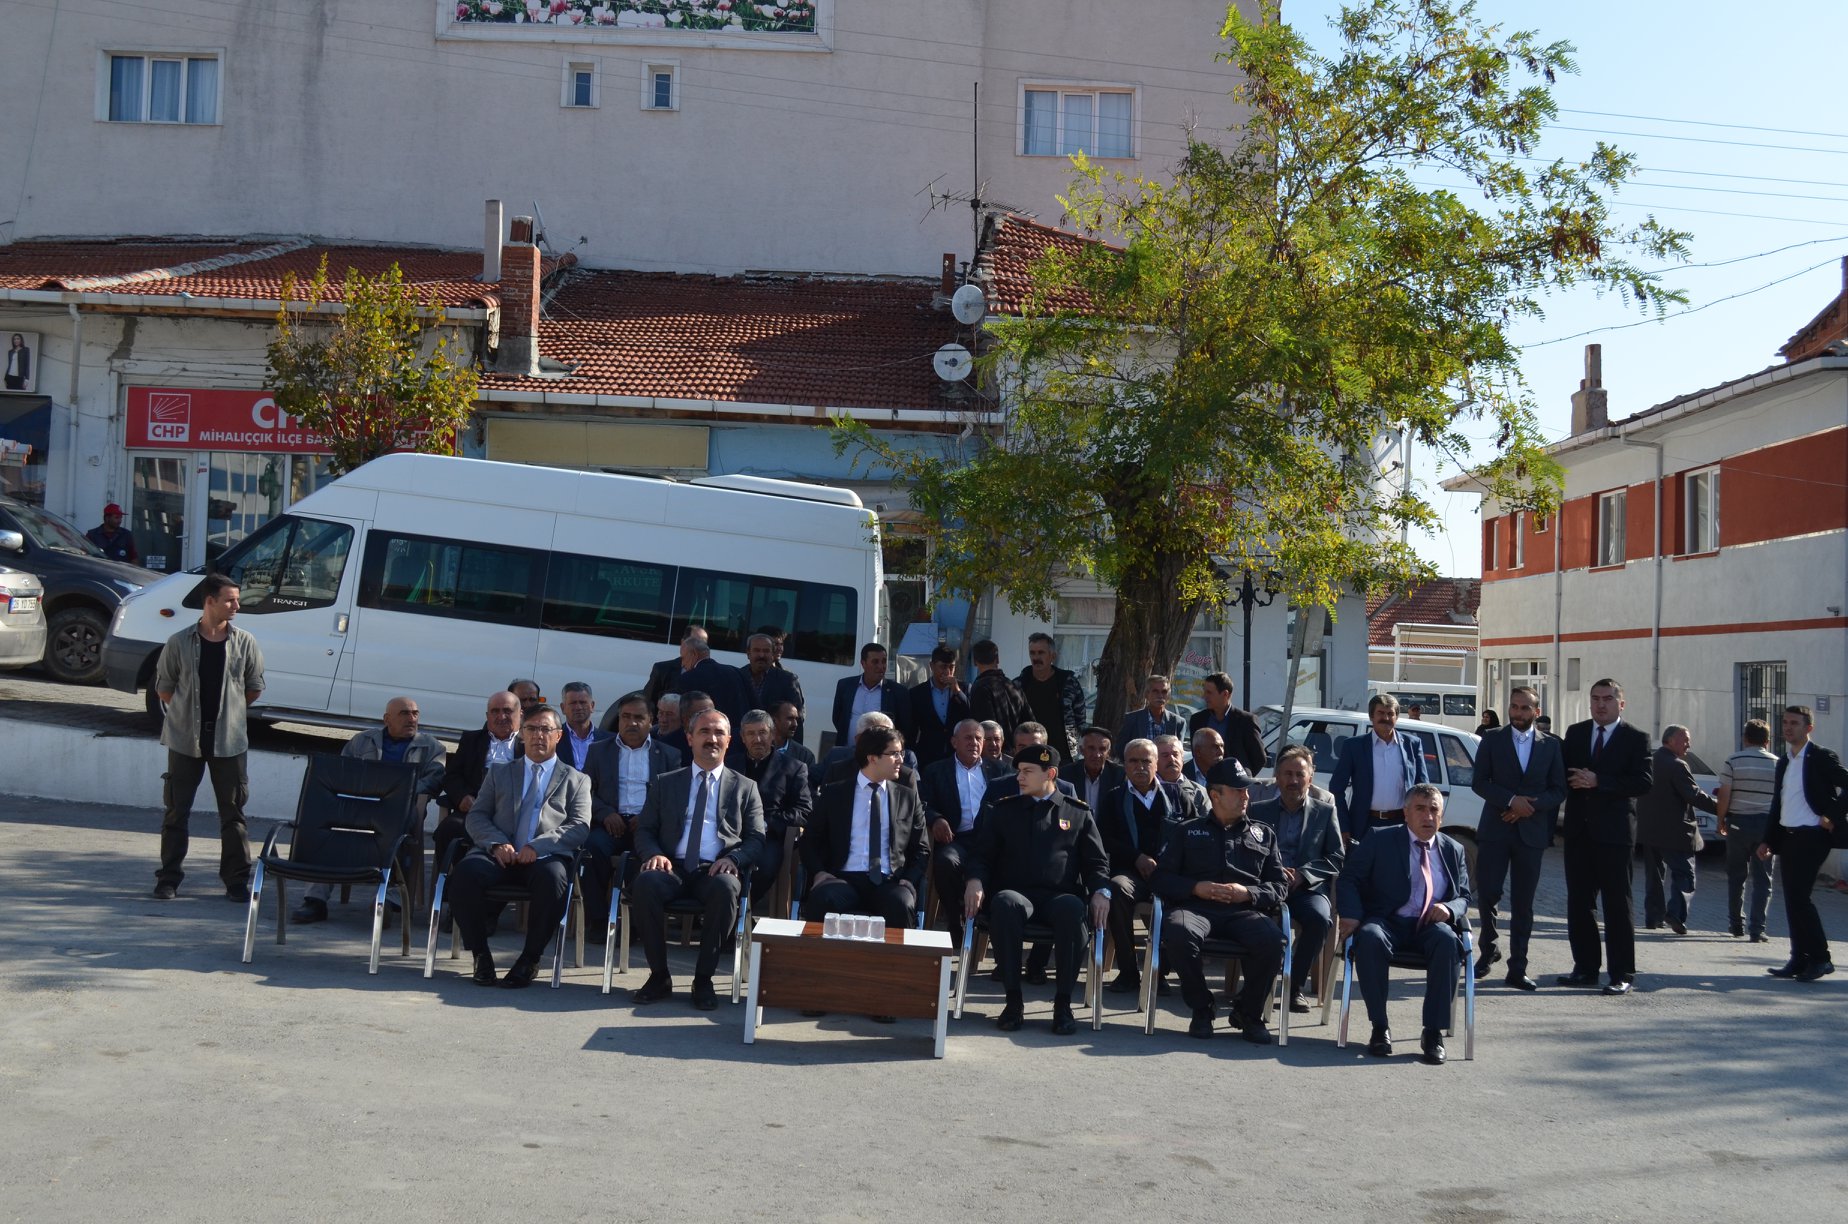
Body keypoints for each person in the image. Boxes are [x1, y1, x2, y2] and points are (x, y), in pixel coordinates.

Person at [963, 745, 1111, 1035]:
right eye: (1019, 771)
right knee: (1005, 903)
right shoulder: (1004, 811)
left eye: (1027, 772)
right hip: (1017, 894)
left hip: (1059, 896)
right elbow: (981, 855)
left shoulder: (1077, 812)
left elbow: (1097, 863)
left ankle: (1063, 1004)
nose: (1019, 777)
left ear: (1050, 774)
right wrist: (975, 880)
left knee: (1072, 910)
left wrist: (1101, 892)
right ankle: (1013, 1001)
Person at [629, 709, 766, 1009]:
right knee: (645, 883)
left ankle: (703, 979)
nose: (712, 739)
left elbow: (757, 837)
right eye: (704, 732)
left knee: (726, 888)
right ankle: (659, 976)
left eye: (719, 733)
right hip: (672, 866)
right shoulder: (665, 782)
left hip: (715, 868)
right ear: (690, 738)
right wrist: (653, 854)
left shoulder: (746, 787)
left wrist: (735, 858)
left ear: (729, 741)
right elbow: (646, 829)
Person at [448, 704, 592, 989]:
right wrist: (496, 843)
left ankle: (529, 959)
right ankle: (481, 956)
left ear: (558, 735)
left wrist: (538, 846)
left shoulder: (576, 779)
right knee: (463, 875)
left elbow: (579, 826)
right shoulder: (500, 773)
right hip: (499, 853)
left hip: (544, 856)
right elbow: (476, 816)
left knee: (553, 880)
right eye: (531, 729)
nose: (538, 735)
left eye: (545, 729)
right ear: (522, 734)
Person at [1154, 758, 1286, 1043]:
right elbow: (1161, 879)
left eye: (1246, 790)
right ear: (1215, 795)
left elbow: (1279, 886)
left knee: (1273, 941)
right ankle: (1202, 1008)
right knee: (1178, 932)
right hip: (1196, 908)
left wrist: (1248, 893)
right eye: (1237, 790)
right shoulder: (1187, 830)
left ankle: (1248, 1013)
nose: (1245, 796)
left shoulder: (1263, 834)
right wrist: (1195, 888)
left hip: (1243, 912)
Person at [151, 573, 265, 902]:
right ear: (210, 601)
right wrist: (189, 715)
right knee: (176, 812)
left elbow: (254, 687)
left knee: (233, 814)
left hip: (229, 742)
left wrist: (229, 714)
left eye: (237, 599)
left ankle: (236, 882)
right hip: (185, 740)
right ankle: (168, 879)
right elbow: (165, 688)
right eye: (230, 600)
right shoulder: (178, 641)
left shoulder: (245, 642)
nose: (236, 606)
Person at [1338, 784, 1471, 1064]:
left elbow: (1464, 896)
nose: (1428, 816)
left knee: (1449, 942)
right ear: (1406, 813)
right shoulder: (1380, 839)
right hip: (1388, 920)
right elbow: (1349, 878)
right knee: (1370, 937)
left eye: (1434, 810)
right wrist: (1351, 913)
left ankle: (1433, 1033)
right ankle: (1379, 1027)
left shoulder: (1453, 849)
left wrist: (1449, 908)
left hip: (1430, 924)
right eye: (1420, 809)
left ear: (1442, 816)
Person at [292, 695, 448, 924]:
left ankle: (388, 900)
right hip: (359, 804)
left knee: (405, 824)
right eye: (404, 713)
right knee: (324, 821)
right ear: (387, 719)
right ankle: (315, 899)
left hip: (400, 810)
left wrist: (399, 793)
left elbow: (434, 780)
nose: (412, 719)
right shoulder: (362, 741)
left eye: (415, 713)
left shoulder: (432, 747)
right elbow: (342, 772)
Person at [1556, 679, 1653, 995]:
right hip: (1578, 831)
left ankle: (1622, 973)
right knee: (1580, 902)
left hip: (1615, 835)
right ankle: (1585, 969)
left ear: (1621, 704)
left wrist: (1600, 781)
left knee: (1617, 904)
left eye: (1608, 699)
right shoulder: (1576, 733)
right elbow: (1562, 773)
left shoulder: (1636, 738)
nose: (1601, 704)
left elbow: (1643, 782)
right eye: (1596, 698)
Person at [1469, 685, 1566, 989]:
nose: (1518, 713)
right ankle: (1488, 951)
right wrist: (1511, 801)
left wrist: (1528, 807)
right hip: (1495, 830)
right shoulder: (1492, 739)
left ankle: (1518, 966)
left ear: (1536, 711)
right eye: (1514, 706)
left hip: (1531, 834)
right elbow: (1479, 782)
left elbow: (1558, 790)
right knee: (1488, 893)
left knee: (1523, 903)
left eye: (1525, 708)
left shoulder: (1551, 745)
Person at [802, 725, 929, 934]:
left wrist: (910, 878)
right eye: (894, 754)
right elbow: (810, 840)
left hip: (890, 880)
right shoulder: (835, 793)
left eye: (901, 753)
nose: (900, 760)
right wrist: (819, 872)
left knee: (901, 904)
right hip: (843, 877)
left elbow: (922, 848)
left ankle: (892, 957)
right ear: (872, 757)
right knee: (823, 899)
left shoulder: (907, 797)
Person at [1248, 745, 1345, 1012]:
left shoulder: (1324, 812)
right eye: (1288, 774)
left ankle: (1293, 988)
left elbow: (1337, 856)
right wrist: (1275, 870)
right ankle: (1257, 987)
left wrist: (1304, 874)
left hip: (1307, 887)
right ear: (1277, 778)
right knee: (1249, 919)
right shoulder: (1258, 811)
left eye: (1300, 775)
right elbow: (1244, 850)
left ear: (1310, 778)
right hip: (1267, 885)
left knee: (1319, 919)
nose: (1293, 780)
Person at [1757, 705, 1848, 982]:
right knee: (1792, 899)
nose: (1788, 727)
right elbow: (1778, 803)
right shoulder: (1784, 761)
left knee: (1800, 898)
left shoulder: (1820, 757)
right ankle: (1799, 958)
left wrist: (1831, 815)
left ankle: (1821, 959)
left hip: (1813, 836)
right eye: (1785, 722)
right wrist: (1768, 839)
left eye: (1794, 723)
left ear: (1808, 728)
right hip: (1788, 836)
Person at [580, 692, 681, 928]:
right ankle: (598, 922)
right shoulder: (598, 751)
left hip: (646, 827)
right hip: (609, 824)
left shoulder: (668, 755)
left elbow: (674, 799)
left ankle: (634, 926)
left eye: (638, 717)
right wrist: (605, 813)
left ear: (650, 720)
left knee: (646, 859)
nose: (631, 723)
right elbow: (584, 791)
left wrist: (647, 817)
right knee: (591, 849)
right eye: (626, 717)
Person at [1096, 737, 1184, 996]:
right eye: (1133, 761)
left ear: (1157, 764)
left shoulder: (1177, 797)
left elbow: (1190, 837)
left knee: (1177, 897)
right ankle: (1128, 971)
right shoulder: (1114, 798)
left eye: (1146, 761)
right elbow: (1104, 837)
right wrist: (1136, 857)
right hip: (1130, 872)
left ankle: (1159, 973)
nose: (1140, 766)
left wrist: (1165, 864)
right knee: (1116, 889)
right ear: (1125, 765)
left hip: (1167, 872)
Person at [919, 719, 1010, 932]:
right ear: (954, 742)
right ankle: (955, 919)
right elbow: (922, 804)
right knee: (946, 862)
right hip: (956, 839)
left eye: (978, 738)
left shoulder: (1001, 770)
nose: (974, 743)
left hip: (991, 840)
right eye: (968, 738)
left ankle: (986, 922)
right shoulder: (936, 770)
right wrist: (936, 819)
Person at [436, 691, 523, 893]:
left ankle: (497, 890)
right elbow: (452, 776)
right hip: (475, 811)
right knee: (448, 829)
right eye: (495, 711)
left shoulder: (531, 743)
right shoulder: (471, 740)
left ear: (520, 714)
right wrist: (462, 797)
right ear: (487, 716)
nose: (501, 716)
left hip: (515, 815)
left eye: (507, 711)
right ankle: (453, 892)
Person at [1637, 724, 1717, 935]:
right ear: (1671, 740)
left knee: (1654, 876)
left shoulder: (1650, 762)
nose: (1689, 744)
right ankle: (1675, 914)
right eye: (1685, 739)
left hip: (1649, 830)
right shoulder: (1677, 765)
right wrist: (1722, 809)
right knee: (1685, 874)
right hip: (1675, 832)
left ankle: (1653, 918)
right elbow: (1694, 795)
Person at [736, 709, 812, 908]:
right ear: (742, 738)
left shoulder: (794, 768)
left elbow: (803, 811)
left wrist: (767, 823)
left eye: (762, 733)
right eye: (751, 734)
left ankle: (740, 912)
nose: (757, 739)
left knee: (764, 867)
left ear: (772, 735)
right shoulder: (729, 764)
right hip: (729, 834)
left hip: (768, 837)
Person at [1330, 694, 1428, 842]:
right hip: (1364, 825)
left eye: (1390, 714)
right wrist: (1344, 826)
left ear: (1396, 717)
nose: (1386, 718)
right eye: (1381, 713)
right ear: (1371, 716)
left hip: (1402, 824)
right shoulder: (1354, 746)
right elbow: (1336, 789)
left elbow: (1424, 789)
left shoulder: (1412, 745)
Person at [1716, 719, 1778, 941]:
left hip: (1738, 823)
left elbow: (1724, 794)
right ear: (1767, 741)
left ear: (1745, 738)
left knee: (1736, 876)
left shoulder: (1733, 760)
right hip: (1766, 827)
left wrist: (1720, 820)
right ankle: (1757, 929)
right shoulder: (1777, 764)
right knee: (1763, 879)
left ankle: (1736, 925)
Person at [1014, 632, 1086, 762]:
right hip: (1030, 755)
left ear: (1053, 656)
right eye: (1032, 653)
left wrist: (1077, 746)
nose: (1036, 657)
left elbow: (1080, 719)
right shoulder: (1019, 685)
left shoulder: (1068, 683)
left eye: (1041, 653)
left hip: (1064, 756)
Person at [831, 641, 909, 748]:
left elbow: (905, 728)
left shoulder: (898, 692)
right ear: (863, 663)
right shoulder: (845, 685)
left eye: (884, 661)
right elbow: (837, 718)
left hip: (879, 754)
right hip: (847, 750)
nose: (881, 666)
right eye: (875, 662)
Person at [818, 710, 920, 791]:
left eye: (890, 736)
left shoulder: (906, 773)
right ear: (859, 740)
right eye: (877, 738)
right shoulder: (837, 763)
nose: (900, 759)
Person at [907, 645, 972, 768]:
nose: (947, 672)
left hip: (956, 754)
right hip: (928, 755)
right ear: (932, 666)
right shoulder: (917, 693)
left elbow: (970, 716)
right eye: (943, 667)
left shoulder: (964, 689)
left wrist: (957, 692)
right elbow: (912, 729)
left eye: (951, 667)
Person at [1189, 672, 1266, 773]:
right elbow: (1196, 753)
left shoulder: (1246, 721)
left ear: (1225, 694)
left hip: (1234, 781)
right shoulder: (1197, 720)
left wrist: (1243, 777)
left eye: (1209, 693)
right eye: (1205, 691)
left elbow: (1259, 758)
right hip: (1204, 781)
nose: (1204, 696)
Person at [671, 637, 747, 731]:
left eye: (683, 658)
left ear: (694, 654)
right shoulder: (736, 672)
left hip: (707, 735)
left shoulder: (687, 679)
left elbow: (682, 715)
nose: (682, 664)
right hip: (739, 734)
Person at [967, 639, 1030, 745]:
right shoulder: (1014, 686)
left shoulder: (980, 688)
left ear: (974, 661)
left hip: (995, 749)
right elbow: (1029, 723)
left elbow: (986, 727)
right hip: (1018, 749)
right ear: (997, 659)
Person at [737, 633, 803, 730]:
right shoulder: (737, 677)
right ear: (748, 653)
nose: (761, 655)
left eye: (766, 651)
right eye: (756, 650)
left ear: (773, 654)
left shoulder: (787, 680)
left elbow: (797, 717)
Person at [1115, 674, 1187, 749]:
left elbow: (1178, 751)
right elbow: (1121, 749)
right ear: (1146, 694)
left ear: (1168, 696)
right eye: (1155, 691)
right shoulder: (1131, 719)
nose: (1160, 696)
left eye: (1164, 692)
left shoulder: (1178, 723)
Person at [644, 626, 707, 710]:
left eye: (703, 643)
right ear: (683, 643)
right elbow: (647, 701)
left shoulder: (709, 673)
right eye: (695, 642)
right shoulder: (662, 669)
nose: (699, 647)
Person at [1155, 734, 1209, 822]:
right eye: (1165, 755)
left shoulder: (1200, 792)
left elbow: (1206, 824)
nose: (1172, 759)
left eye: (1175, 754)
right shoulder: (1147, 790)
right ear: (1154, 760)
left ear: (1182, 758)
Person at [556, 681, 608, 771]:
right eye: (573, 703)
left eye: (583, 702)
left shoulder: (609, 741)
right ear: (563, 708)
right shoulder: (553, 739)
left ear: (592, 706)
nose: (578, 707)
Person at [1071, 726, 1124, 814]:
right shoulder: (1066, 774)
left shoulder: (1119, 775)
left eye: (1102, 749)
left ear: (1108, 753)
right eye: (1091, 748)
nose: (1097, 755)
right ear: (1081, 750)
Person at [770, 700, 818, 772]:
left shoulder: (804, 756)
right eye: (790, 718)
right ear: (774, 720)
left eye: (796, 719)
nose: (795, 724)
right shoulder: (758, 748)